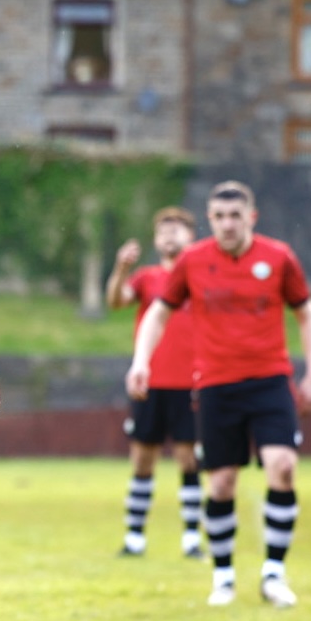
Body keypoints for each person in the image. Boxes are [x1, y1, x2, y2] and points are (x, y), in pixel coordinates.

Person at [126, 181, 311, 609]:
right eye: (219, 216)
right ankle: (223, 577)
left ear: (251, 217)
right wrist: (142, 360)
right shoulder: (193, 261)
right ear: (210, 219)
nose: (227, 224)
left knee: (283, 467)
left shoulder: (278, 257)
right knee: (220, 484)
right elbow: (158, 312)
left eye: (236, 216)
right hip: (215, 385)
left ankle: (273, 573)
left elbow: (307, 314)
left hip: (271, 381)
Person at [106, 207, 203, 559]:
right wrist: (121, 268)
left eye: (177, 228)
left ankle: (192, 537)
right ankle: (135, 537)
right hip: (151, 382)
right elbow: (116, 300)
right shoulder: (146, 278)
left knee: (189, 459)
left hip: (191, 382)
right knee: (142, 460)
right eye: (163, 229)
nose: (169, 234)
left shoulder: (200, 275)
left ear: (191, 236)